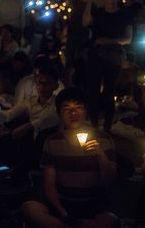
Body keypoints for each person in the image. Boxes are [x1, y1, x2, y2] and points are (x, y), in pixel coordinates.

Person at [21, 88, 118, 228]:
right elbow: (49, 184)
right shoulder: (52, 141)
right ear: (59, 113)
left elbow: (111, 180)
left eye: (78, 108)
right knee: (29, 208)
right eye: (67, 109)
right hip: (63, 201)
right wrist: (62, 211)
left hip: (94, 203)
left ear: (86, 111)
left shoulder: (104, 139)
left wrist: (100, 155)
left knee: (109, 221)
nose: (73, 113)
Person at [82, 0, 133, 132]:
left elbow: (128, 39)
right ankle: (93, 124)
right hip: (95, 54)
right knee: (93, 88)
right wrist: (89, 2)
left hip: (113, 55)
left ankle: (107, 127)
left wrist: (108, 41)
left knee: (109, 91)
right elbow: (85, 23)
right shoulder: (97, 13)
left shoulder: (125, 14)